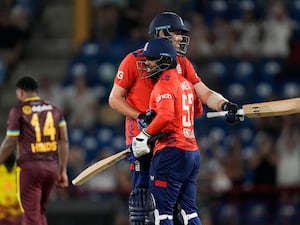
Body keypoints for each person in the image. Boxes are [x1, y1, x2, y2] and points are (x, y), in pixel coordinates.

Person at [108, 11, 241, 225]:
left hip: (169, 141)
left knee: (173, 206)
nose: (180, 38)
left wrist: (225, 104)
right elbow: (114, 99)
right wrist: (141, 116)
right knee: (143, 202)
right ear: (159, 34)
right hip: (142, 139)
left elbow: (204, 93)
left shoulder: (182, 63)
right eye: (175, 33)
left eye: (181, 34)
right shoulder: (134, 61)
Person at [131, 37, 203, 225]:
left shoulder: (163, 84)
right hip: (192, 153)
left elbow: (166, 115)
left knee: (162, 214)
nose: (147, 63)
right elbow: (198, 109)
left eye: (151, 59)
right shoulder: (186, 82)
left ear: (164, 59)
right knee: (190, 213)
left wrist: (144, 136)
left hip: (171, 152)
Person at [0, 76, 69, 225]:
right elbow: (63, 141)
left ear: (20, 92)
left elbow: (10, 142)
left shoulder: (18, 111)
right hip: (51, 167)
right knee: (39, 213)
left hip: (30, 167)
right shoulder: (55, 110)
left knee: (30, 216)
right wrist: (62, 170)